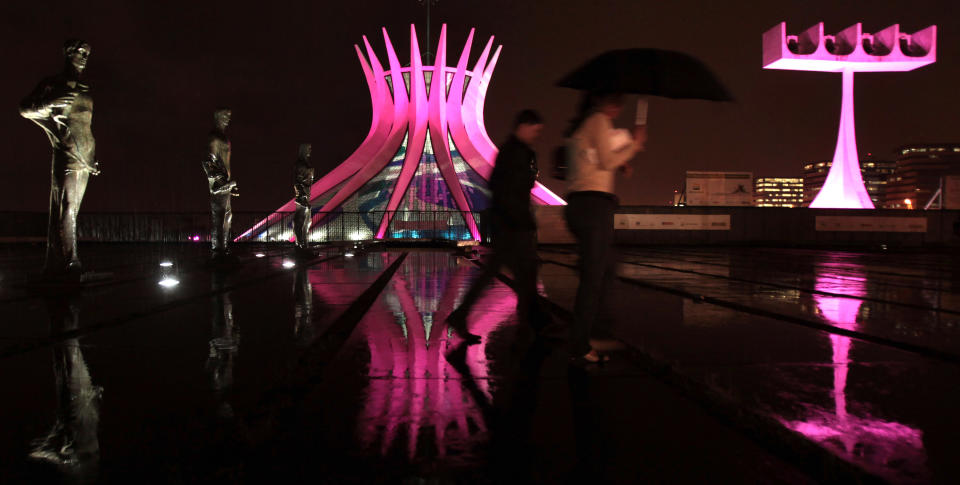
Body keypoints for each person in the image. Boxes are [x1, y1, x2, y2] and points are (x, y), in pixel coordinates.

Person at [447, 110, 552, 343]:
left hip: (508, 222)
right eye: (535, 130)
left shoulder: (513, 151)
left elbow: (501, 186)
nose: (537, 135)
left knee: (513, 274)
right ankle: (536, 323)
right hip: (513, 224)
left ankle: (536, 322)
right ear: (524, 126)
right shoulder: (516, 152)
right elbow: (508, 189)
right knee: (522, 274)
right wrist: (519, 219)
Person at [563, 92, 646, 364]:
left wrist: (622, 162)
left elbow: (597, 159)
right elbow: (606, 161)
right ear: (608, 102)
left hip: (581, 206)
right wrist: (635, 143)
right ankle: (580, 343)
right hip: (593, 207)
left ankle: (591, 332)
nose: (619, 108)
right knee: (594, 278)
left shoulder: (586, 125)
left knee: (601, 271)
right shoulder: (598, 120)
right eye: (617, 102)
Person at [20, 39, 100, 278]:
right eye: (79, 52)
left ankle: (67, 259)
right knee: (65, 206)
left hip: (85, 154)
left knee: (73, 209)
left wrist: (92, 157)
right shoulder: (52, 83)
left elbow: (86, 126)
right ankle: (66, 261)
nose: (84, 56)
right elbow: (25, 108)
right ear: (67, 53)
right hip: (66, 151)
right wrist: (48, 103)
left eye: (87, 52)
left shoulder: (85, 87)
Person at [202, 108, 239, 257]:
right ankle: (218, 251)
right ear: (217, 117)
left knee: (227, 217)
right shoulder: (215, 137)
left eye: (229, 117)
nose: (228, 119)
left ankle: (223, 248)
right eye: (225, 116)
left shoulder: (222, 137)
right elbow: (208, 162)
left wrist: (230, 184)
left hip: (226, 185)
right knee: (219, 217)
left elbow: (224, 163)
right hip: (220, 185)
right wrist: (222, 182)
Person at [293, 143, 314, 250]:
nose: (310, 151)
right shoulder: (300, 164)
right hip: (302, 196)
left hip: (307, 193)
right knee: (300, 220)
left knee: (307, 221)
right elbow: (297, 181)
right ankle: (300, 244)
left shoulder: (306, 163)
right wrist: (302, 197)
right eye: (308, 149)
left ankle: (304, 244)